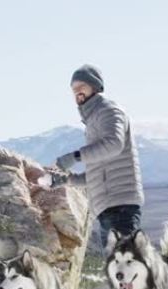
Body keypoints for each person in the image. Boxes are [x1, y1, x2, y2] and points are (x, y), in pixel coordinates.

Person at [54, 64, 144, 251]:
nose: (77, 91)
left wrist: (76, 156)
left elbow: (114, 144)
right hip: (107, 209)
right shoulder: (93, 119)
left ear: (95, 86)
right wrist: (67, 179)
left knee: (125, 271)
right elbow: (98, 174)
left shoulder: (108, 110)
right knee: (116, 274)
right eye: (74, 89)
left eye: (82, 86)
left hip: (121, 206)